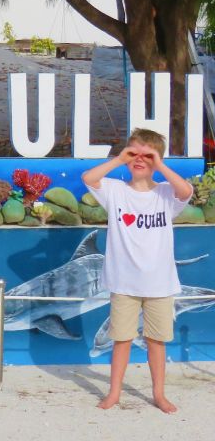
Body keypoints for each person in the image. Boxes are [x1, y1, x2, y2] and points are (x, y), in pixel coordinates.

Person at [82, 128, 193, 413]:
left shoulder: (167, 194)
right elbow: (89, 179)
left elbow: (186, 191)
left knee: (156, 341)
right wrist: (120, 159)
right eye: (135, 153)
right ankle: (114, 393)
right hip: (124, 282)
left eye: (147, 155)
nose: (139, 159)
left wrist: (160, 164)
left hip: (159, 283)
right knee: (121, 339)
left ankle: (159, 394)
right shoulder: (116, 192)